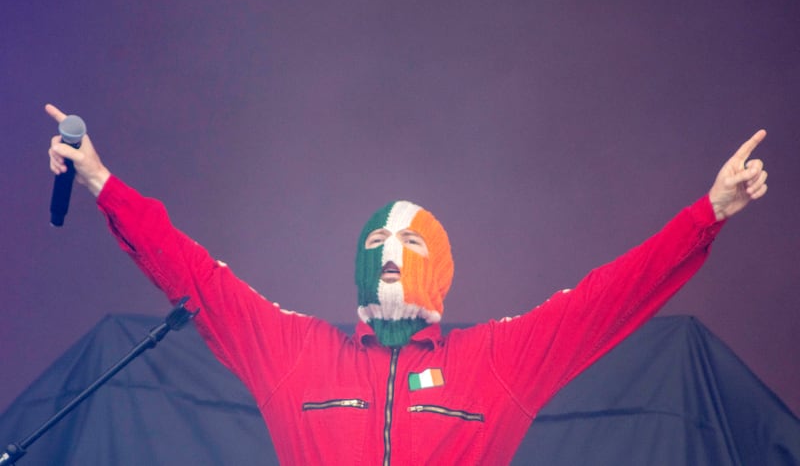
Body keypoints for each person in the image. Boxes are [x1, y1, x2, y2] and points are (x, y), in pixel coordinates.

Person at [45, 103, 768, 465]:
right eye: (377, 241)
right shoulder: (295, 351)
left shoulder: (495, 361)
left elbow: (609, 298)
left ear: (441, 270)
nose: (390, 251)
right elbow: (193, 273)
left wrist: (708, 214)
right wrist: (103, 181)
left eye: (411, 241)